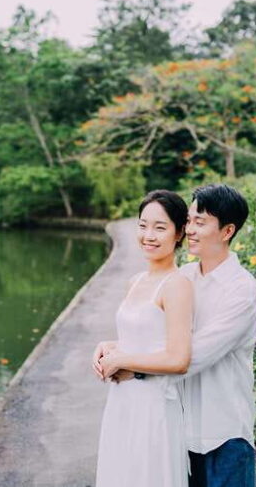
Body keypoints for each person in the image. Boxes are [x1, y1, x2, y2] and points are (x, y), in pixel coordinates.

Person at [113, 184, 256, 487]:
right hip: (179, 431)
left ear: (227, 231)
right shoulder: (186, 278)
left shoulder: (241, 290)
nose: (190, 229)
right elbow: (156, 335)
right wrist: (114, 347)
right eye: (190, 220)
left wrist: (130, 365)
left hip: (224, 435)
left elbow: (191, 356)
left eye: (200, 222)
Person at [92, 189, 194, 487]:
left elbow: (178, 358)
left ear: (179, 234)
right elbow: (143, 336)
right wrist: (108, 347)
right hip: (122, 401)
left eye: (160, 227)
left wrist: (122, 358)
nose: (148, 235)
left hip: (153, 406)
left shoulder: (177, 285)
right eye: (142, 225)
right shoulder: (135, 281)